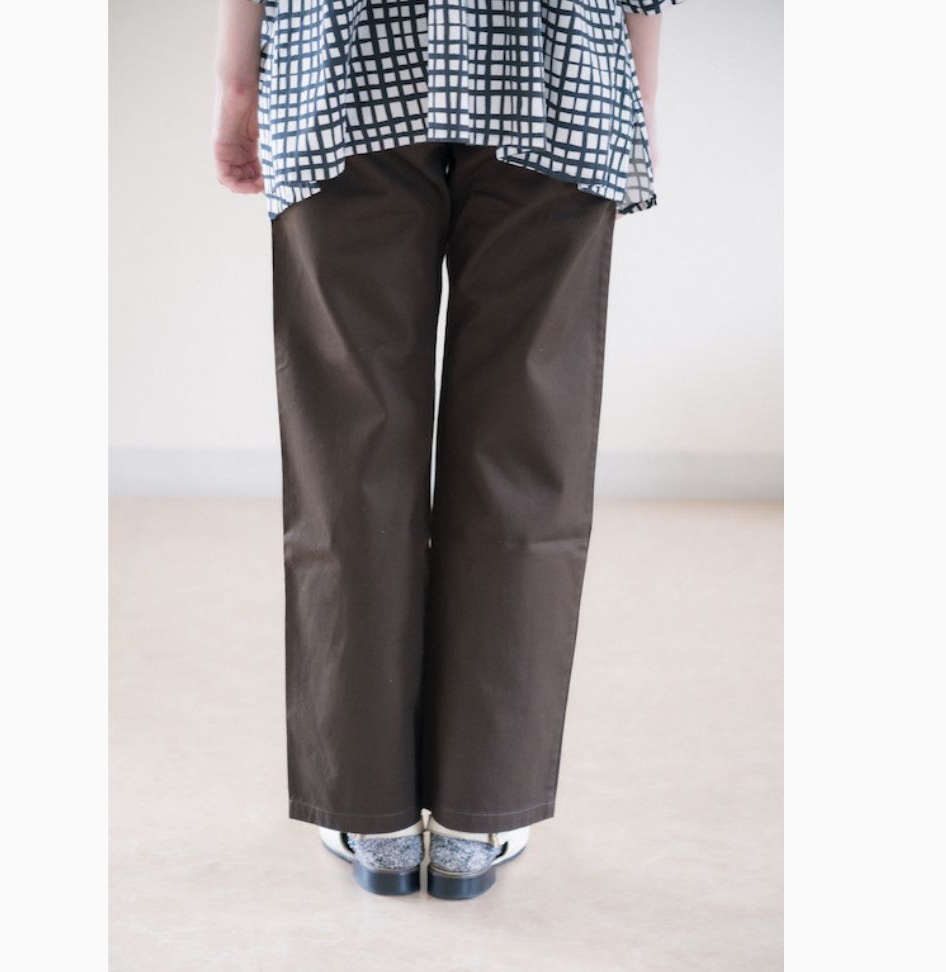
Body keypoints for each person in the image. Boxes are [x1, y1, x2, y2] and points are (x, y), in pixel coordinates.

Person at [213, 0, 684, 899]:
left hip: (343, 57)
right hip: (558, 62)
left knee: (349, 451)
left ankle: (373, 815)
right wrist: (640, 94)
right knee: (524, 443)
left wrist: (238, 84)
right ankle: (481, 810)